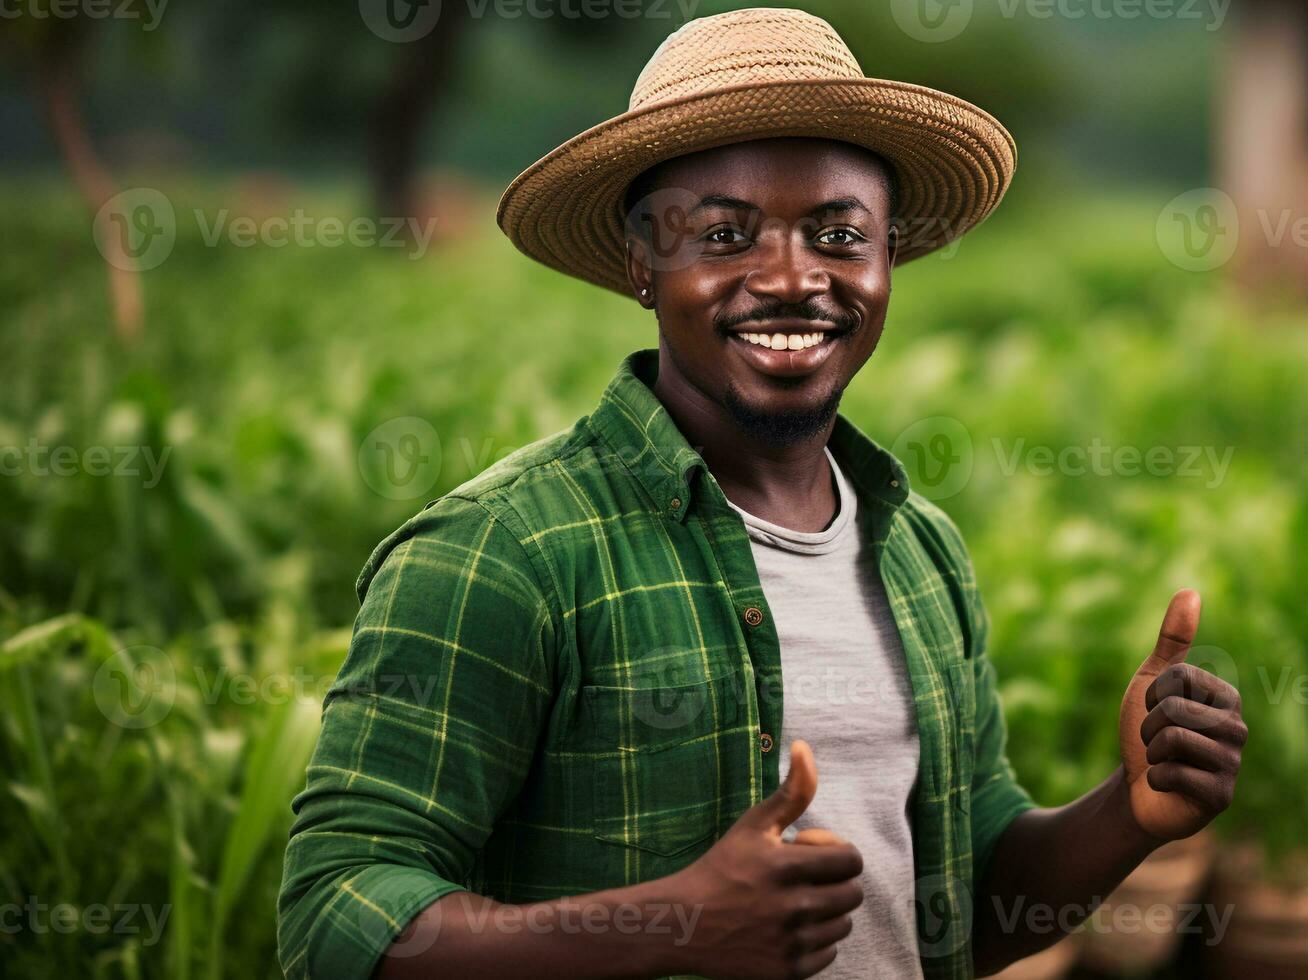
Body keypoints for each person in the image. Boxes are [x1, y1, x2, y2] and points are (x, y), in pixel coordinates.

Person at [277, 9, 1245, 979]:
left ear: (885, 262)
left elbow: (957, 903)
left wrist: (1129, 809)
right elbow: (334, 917)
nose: (790, 278)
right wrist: (671, 923)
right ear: (640, 264)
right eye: (723, 234)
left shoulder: (919, 551)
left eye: (836, 233)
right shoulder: (501, 552)